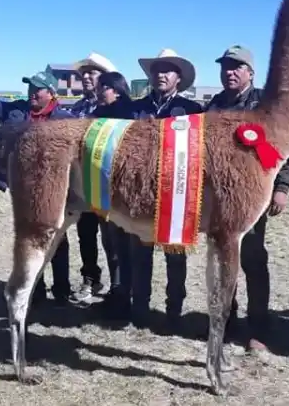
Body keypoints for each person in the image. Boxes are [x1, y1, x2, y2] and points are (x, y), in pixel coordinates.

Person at [203, 44, 289, 354]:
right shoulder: (214, 106)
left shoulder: (264, 106)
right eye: (225, 66)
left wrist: (281, 188)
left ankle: (258, 327)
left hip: (251, 198)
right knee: (221, 258)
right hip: (217, 198)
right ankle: (226, 320)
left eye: (236, 67)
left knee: (254, 260)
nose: (229, 72)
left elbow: (285, 154)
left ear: (250, 73)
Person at [0, 68, 76, 306]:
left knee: (57, 238)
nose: (32, 93)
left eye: (37, 90)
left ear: (51, 93)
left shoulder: (66, 120)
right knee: (30, 238)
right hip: (23, 188)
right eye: (30, 88)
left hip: (56, 190)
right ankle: (34, 289)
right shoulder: (16, 110)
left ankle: (61, 289)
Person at [123, 48, 203, 330]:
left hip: (177, 190)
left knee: (175, 254)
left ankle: (174, 310)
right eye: (157, 70)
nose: (161, 75)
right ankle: (140, 307)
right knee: (139, 252)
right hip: (140, 190)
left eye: (167, 70)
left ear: (178, 78)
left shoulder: (193, 111)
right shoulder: (135, 109)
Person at [68, 53, 119, 303]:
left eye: (93, 73)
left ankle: (118, 287)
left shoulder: (115, 109)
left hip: (108, 183)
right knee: (85, 234)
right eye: (84, 73)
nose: (87, 77)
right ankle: (90, 278)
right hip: (82, 183)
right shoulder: (76, 109)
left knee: (113, 237)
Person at [90, 70, 136, 322]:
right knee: (110, 243)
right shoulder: (97, 114)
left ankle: (126, 295)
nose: (99, 92)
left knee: (124, 245)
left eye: (103, 88)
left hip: (124, 191)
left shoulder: (128, 114)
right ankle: (117, 290)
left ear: (116, 90)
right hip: (102, 187)